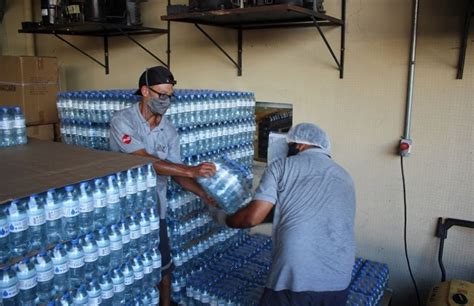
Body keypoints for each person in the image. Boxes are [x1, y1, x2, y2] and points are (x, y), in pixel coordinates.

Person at [109, 66, 216, 306]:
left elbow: (175, 170)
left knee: (162, 263)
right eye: (162, 95)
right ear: (145, 91)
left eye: (170, 96)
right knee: (128, 264)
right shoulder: (122, 121)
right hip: (125, 210)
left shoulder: (169, 131)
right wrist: (191, 169)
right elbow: (141, 159)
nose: (166, 101)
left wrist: (202, 193)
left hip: (156, 209)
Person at [216, 123, 356, 306]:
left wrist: (224, 218)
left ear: (301, 145)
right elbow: (311, 213)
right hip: (339, 274)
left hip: (296, 274)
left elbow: (252, 217)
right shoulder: (345, 176)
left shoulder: (281, 167)